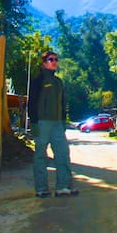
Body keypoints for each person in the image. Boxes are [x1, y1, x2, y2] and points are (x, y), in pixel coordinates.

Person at [27, 51, 78, 198]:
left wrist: (63, 121)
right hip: (42, 123)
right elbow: (32, 102)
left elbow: (62, 103)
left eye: (56, 59)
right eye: (51, 59)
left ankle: (63, 186)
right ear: (44, 63)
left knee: (63, 153)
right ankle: (41, 188)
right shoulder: (38, 81)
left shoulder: (58, 82)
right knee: (41, 156)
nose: (54, 61)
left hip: (57, 123)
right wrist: (34, 122)